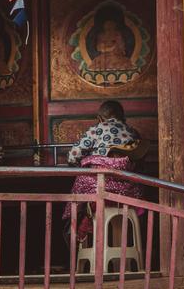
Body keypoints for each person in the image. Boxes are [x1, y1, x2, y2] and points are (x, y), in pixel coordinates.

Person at [62, 100, 146, 246]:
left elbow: (73, 155)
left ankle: (77, 229)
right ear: (122, 117)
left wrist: (81, 164)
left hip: (97, 189)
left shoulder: (97, 129)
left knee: (79, 193)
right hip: (127, 194)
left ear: (100, 118)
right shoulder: (133, 132)